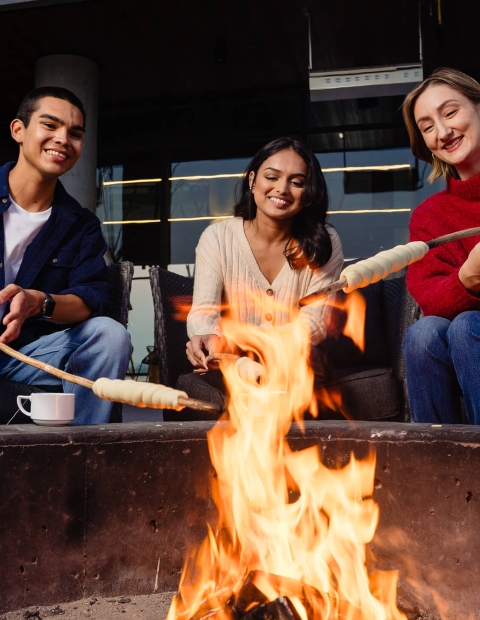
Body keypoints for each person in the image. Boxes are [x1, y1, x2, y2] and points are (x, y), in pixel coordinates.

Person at [179, 137, 343, 415]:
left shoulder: (325, 242)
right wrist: (205, 337)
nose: (282, 189)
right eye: (272, 176)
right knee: (204, 383)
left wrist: (250, 342)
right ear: (253, 181)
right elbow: (202, 313)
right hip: (231, 361)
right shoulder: (217, 238)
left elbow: (313, 324)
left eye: (297, 182)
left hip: (294, 360)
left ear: (308, 192)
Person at [0, 86, 132, 425]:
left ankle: (82, 459)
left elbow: (88, 299)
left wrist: (38, 302)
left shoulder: (81, 224)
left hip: (25, 356)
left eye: (75, 133)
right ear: (19, 130)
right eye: (50, 125)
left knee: (110, 336)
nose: (63, 139)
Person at [402, 67, 480, 424]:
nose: (443, 132)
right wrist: (467, 279)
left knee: (467, 327)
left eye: (450, 113)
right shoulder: (429, 216)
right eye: (428, 126)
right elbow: (429, 299)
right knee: (422, 334)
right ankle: (436, 467)